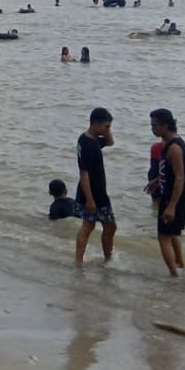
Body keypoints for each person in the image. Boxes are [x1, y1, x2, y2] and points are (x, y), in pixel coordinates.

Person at [145, 108, 185, 277]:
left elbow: (180, 178)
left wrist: (171, 206)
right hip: (168, 195)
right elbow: (169, 170)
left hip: (174, 198)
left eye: (155, 125)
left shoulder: (175, 148)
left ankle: (174, 275)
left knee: (163, 237)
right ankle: (179, 265)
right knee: (172, 233)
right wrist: (155, 181)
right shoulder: (167, 143)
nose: (152, 129)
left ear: (165, 125)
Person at [74, 107, 116, 265]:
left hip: (94, 191)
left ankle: (100, 259)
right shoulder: (89, 145)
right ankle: (103, 259)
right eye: (106, 126)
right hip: (93, 194)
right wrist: (90, 200)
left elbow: (111, 142)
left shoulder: (88, 139)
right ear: (96, 124)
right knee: (104, 226)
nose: (108, 129)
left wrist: (106, 131)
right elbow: (83, 174)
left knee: (94, 226)